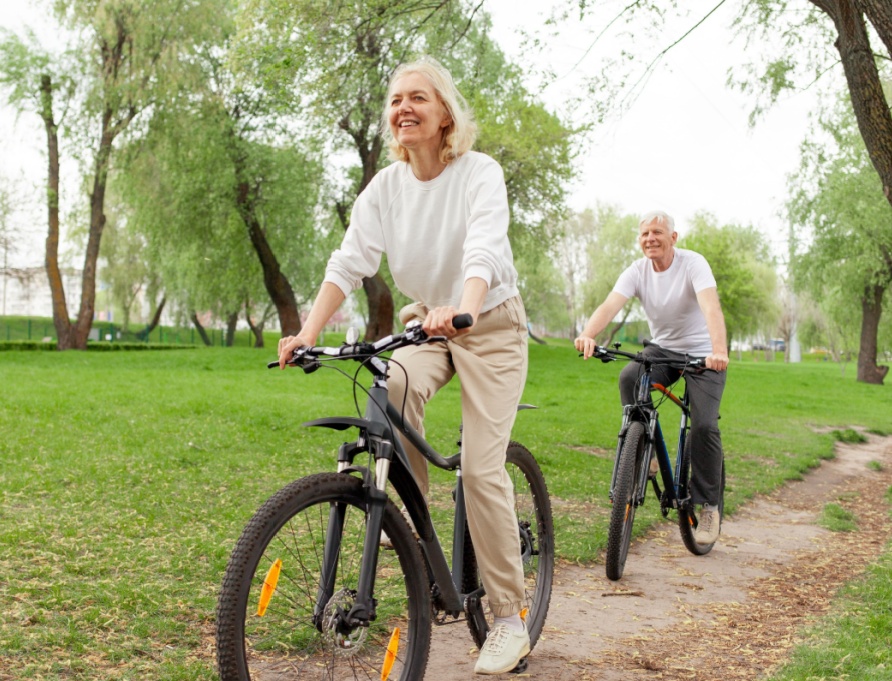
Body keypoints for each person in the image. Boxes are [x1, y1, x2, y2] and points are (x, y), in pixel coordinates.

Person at [277, 57, 531, 675]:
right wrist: (307, 332)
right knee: (388, 389)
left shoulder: (478, 173)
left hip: (488, 325)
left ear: (445, 113)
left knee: (479, 466)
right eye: (395, 100)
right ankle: (422, 548)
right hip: (427, 323)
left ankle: (507, 618)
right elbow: (348, 262)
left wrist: (464, 310)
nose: (403, 109)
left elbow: (484, 249)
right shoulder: (386, 188)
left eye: (418, 97)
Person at [574, 210, 729, 545]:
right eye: (645, 234)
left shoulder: (693, 264)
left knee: (703, 425)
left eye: (657, 232)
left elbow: (711, 308)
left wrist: (718, 350)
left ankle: (709, 507)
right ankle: (649, 452)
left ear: (673, 238)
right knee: (629, 376)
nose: (650, 239)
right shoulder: (638, 271)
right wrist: (588, 334)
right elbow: (609, 305)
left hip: (703, 354)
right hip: (663, 350)